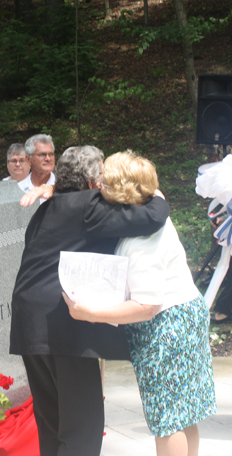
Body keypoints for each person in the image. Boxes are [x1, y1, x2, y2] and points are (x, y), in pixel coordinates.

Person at [10, 146, 170, 456]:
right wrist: (159, 195)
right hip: (64, 322)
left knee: (52, 421)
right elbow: (152, 217)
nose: (105, 185)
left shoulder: (49, 205)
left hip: (29, 319)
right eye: (102, 179)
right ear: (91, 182)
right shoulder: (89, 205)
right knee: (83, 426)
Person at [62, 151, 216, 456]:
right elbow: (155, 191)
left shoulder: (141, 238)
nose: (99, 184)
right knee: (184, 413)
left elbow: (147, 305)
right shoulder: (150, 206)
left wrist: (89, 313)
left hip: (167, 327)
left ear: (119, 189)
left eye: (104, 179)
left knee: (167, 419)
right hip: (186, 313)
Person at [18, 134, 55, 203]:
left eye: (51, 154)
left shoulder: (63, 186)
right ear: (28, 159)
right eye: (42, 154)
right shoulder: (19, 188)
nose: (48, 158)